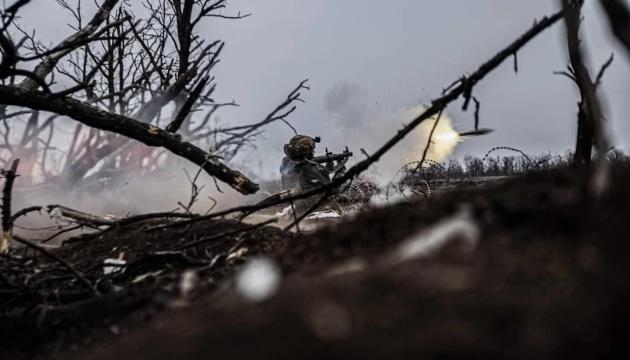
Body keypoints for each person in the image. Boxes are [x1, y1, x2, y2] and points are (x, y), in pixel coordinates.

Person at [279, 135, 347, 214]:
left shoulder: (288, 164)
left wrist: (328, 165)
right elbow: (334, 190)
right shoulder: (310, 168)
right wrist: (341, 169)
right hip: (317, 210)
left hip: (295, 209)